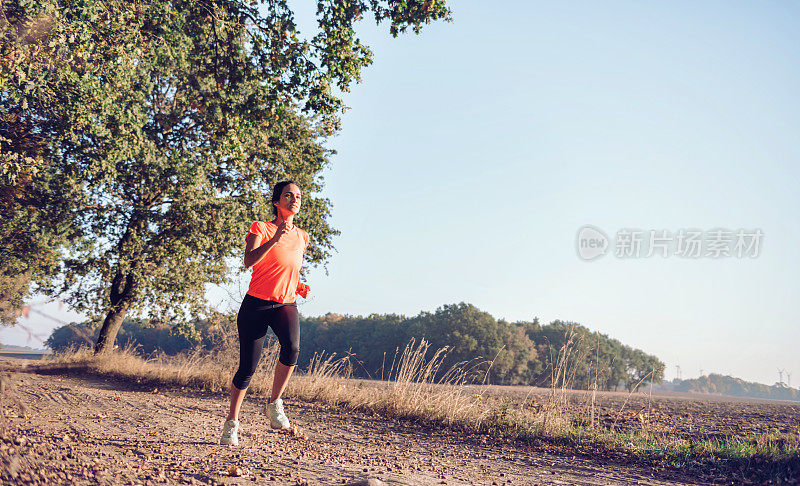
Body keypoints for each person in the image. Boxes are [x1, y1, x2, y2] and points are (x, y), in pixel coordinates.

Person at [220, 180, 310, 446]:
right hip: (256, 304)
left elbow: (287, 267)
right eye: (287, 195)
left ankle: (274, 403)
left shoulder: (303, 236)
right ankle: (231, 424)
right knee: (247, 368)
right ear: (276, 201)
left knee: (292, 349)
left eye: (297, 196)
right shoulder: (261, 228)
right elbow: (249, 261)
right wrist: (275, 238)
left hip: (285, 303)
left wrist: (297, 284)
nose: (293, 199)